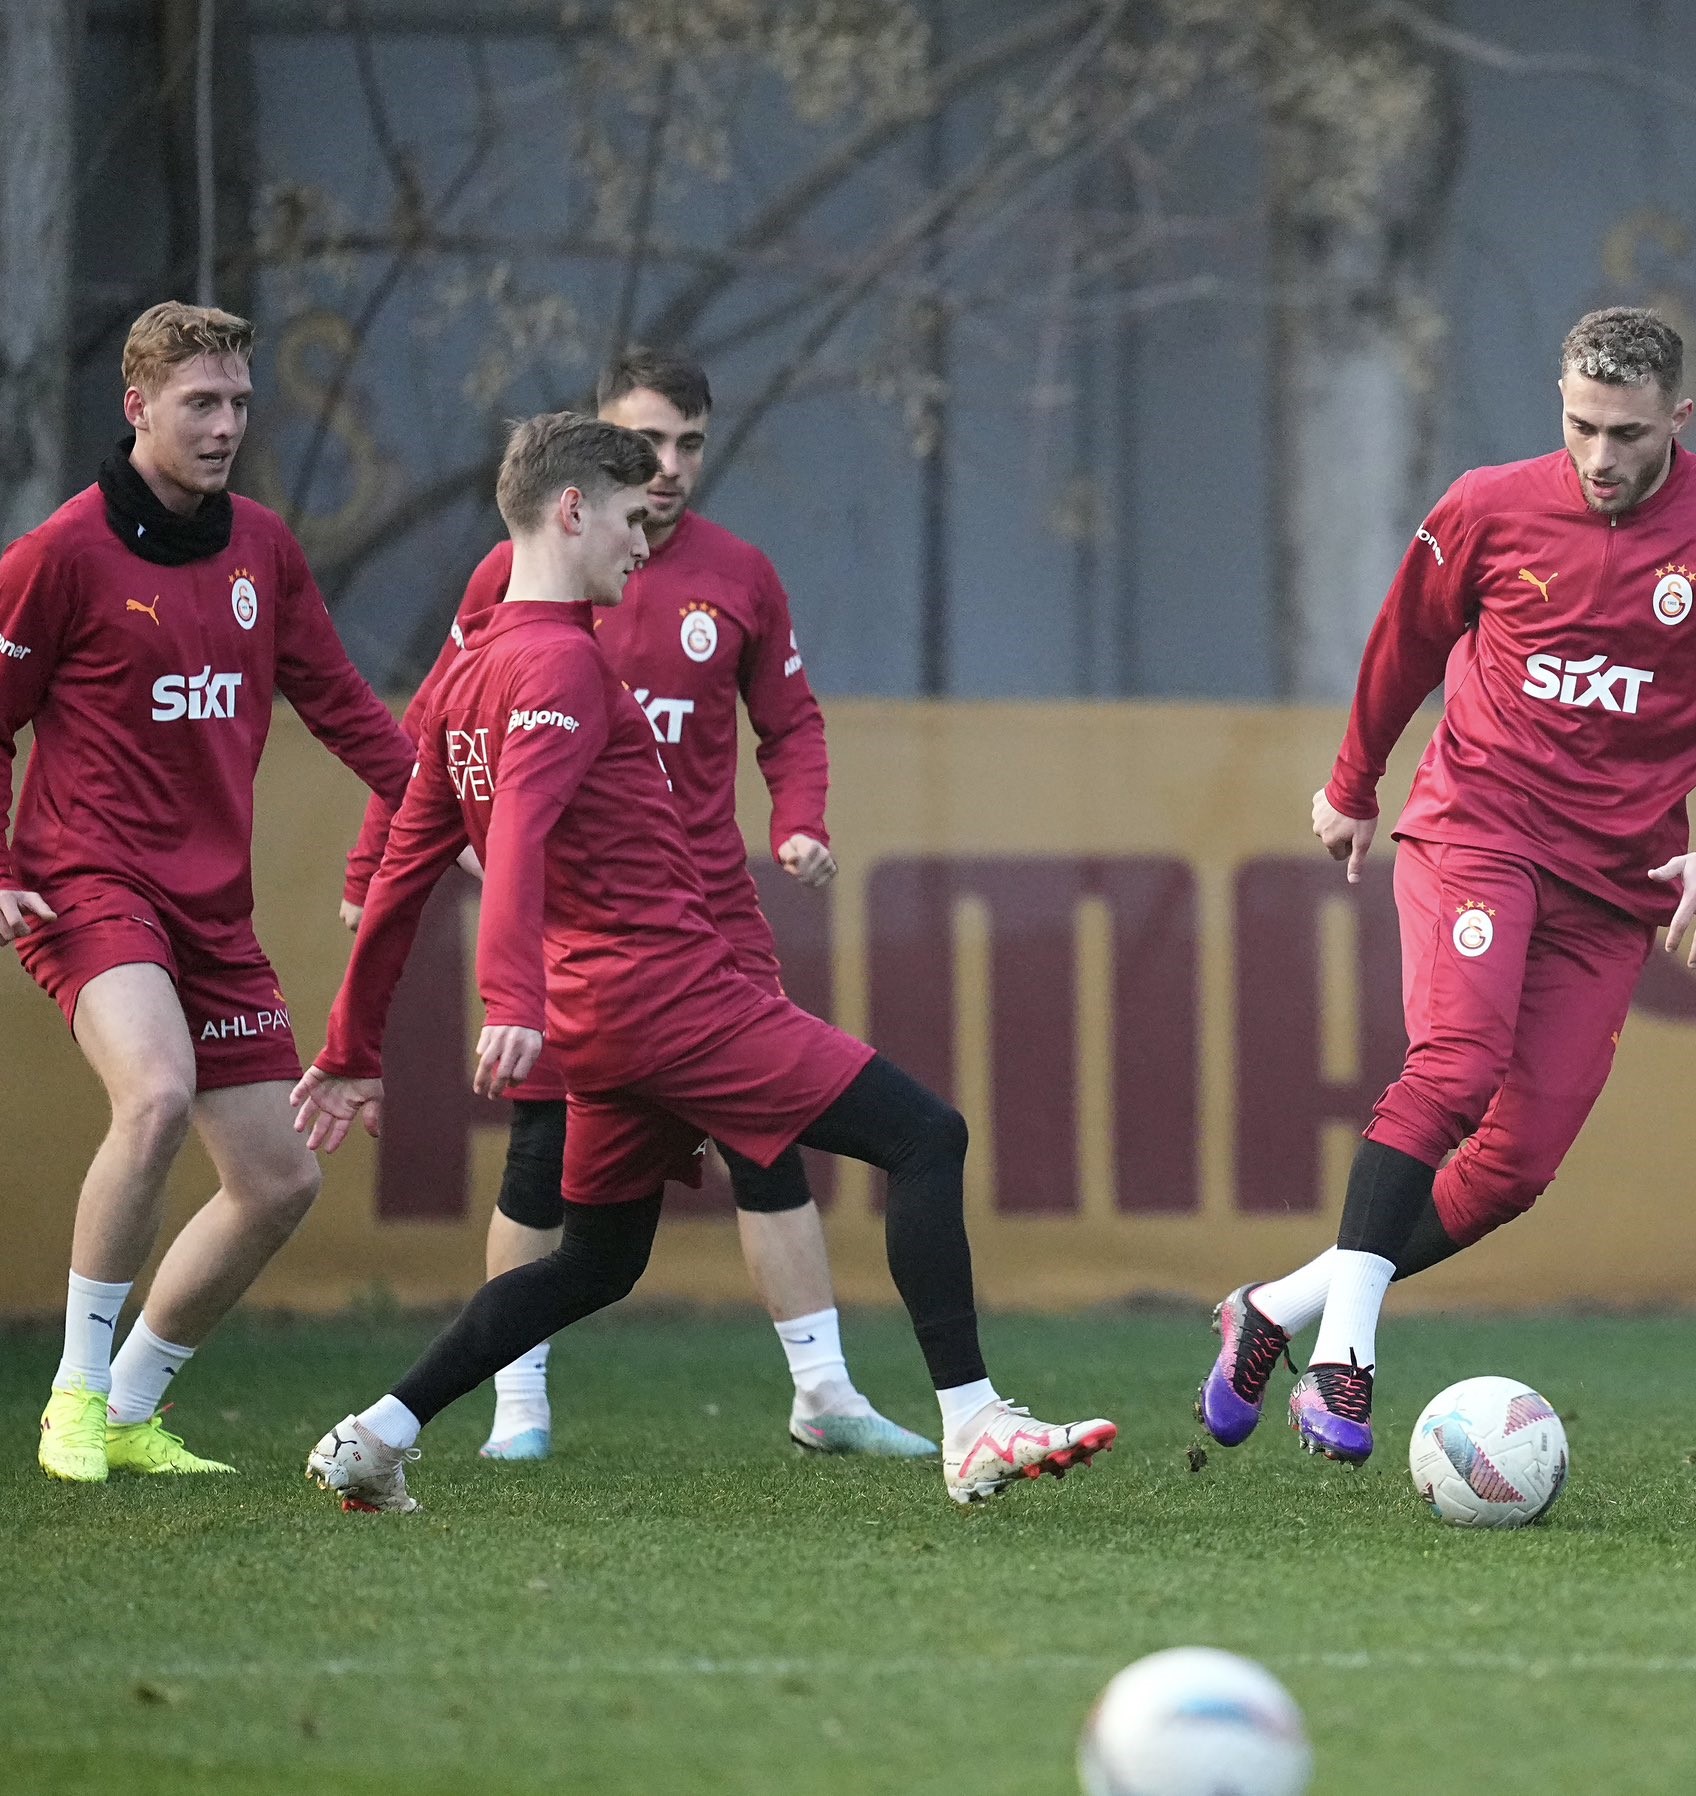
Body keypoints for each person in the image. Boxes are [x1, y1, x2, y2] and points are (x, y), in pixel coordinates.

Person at [294, 412, 1115, 1512]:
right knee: (926, 1134)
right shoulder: (558, 662)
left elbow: (402, 871)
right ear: (570, 510)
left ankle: (375, 1433)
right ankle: (971, 1421)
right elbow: (521, 839)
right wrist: (508, 996)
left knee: (595, 1260)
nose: (644, 544)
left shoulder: (461, 676)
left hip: (603, 1014)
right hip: (665, 997)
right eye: (631, 519)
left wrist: (352, 1046)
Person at [1195, 307, 1696, 1465]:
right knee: (1453, 1066)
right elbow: (1402, 644)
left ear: (1675, 419)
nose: (1599, 457)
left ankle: (1271, 1310)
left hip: (1614, 886)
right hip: (1476, 830)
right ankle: (1346, 1360)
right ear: (1558, 403)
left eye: (1626, 433)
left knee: (1511, 1167)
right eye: (1579, 425)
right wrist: (1351, 782)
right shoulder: (1486, 505)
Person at [344, 350, 931, 1462]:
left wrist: (796, 816)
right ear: (590, 468)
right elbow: (439, 747)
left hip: (706, 922)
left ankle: (822, 1391)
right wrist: (373, 868)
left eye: (691, 443)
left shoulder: (739, 574)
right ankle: (515, 1403)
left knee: (769, 1152)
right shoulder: (526, 589)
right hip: (590, 946)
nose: (667, 471)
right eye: (647, 444)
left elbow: (789, 723)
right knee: (548, 1163)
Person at [0, 301, 417, 1482]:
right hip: (86, 882)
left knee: (281, 1177)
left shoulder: (263, 549)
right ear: (138, 408)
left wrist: (447, 819)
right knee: (156, 1092)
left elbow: (340, 701)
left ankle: (130, 1405)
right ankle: (73, 1398)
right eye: (201, 403)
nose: (227, 422)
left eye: (239, 401)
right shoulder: (61, 554)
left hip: (210, 909)